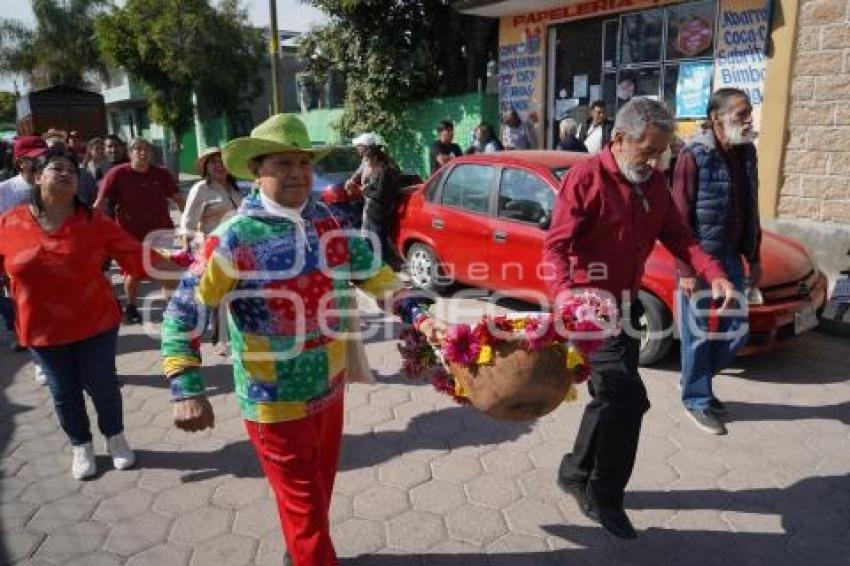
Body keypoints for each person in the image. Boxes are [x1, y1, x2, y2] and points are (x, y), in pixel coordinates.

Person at [161, 114, 439, 565]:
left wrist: (417, 312)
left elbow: (375, 275)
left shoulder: (327, 220)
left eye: (304, 162)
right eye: (282, 163)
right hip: (272, 399)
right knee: (307, 510)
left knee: (316, 496)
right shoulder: (233, 238)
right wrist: (186, 386)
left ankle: (298, 552)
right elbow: (181, 314)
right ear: (256, 170)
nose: (296, 173)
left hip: (330, 389)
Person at [543, 97, 734, 540]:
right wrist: (567, 299)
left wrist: (714, 273)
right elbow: (556, 247)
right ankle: (603, 497)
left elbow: (680, 237)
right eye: (647, 151)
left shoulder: (653, 185)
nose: (654, 161)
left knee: (610, 397)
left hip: (625, 308)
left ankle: (574, 471)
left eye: (661, 153)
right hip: (589, 311)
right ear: (618, 139)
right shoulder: (586, 178)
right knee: (629, 400)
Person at [0, 146, 173, 479]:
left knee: (102, 384)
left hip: (95, 321)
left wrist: (190, 272)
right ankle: (81, 445)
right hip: (42, 329)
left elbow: (136, 256)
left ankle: (115, 437)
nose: (65, 174)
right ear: (37, 177)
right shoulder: (9, 223)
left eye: (71, 170)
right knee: (63, 391)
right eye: (56, 168)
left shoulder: (94, 223)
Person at [672, 88, 762, 436]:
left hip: (732, 259)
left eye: (748, 112)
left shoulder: (746, 153)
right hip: (699, 260)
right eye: (741, 113)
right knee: (695, 335)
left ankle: (695, 381)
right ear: (716, 117)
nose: (748, 119)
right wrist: (685, 270)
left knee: (737, 333)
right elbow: (677, 220)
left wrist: (753, 257)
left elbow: (751, 210)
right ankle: (696, 399)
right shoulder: (693, 156)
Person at [95, 137, 185, 324]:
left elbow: (178, 200)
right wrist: (91, 228)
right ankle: (132, 306)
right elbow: (100, 203)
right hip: (129, 234)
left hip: (161, 232)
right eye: (137, 149)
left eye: (146, 149)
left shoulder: (161, 174)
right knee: (133, 273)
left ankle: (172, 310)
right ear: (129, 153)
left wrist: (188, 223)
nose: (142, 152)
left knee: (165, 271)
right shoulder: (117, 174)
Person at [178, 146, 242, 355]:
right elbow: (188, 221)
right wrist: (186, 248)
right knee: (220, 295)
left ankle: (230, 335)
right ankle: (222, 341)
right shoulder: (201, 189)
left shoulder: (235, 188)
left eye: (222, 161)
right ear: (206, 167)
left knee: (235, 293)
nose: (219, 165)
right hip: (213, 249)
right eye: (213, 162)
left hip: (238, 247)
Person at [361, 143, 405, 271]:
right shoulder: (377, 170)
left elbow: (381, 194)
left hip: (380, 214)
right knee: (372, 243)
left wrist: (365, 191)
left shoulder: (385, 171)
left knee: (378, 245)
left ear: (375, 158)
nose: (366, 163)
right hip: (373, 213)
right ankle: (378, 270)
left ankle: (382, 271)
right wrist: (367, 188)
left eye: (367, 159)